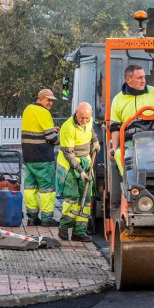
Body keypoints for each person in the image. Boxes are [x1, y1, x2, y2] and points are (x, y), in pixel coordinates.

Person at [108, 64, 154, 212]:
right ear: (128, 80)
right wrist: (115, 147)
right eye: (139, 78)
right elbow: (115, 127)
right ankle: (131, 188)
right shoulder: (118, 100)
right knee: (121, 154)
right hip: (131, 141)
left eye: (144, 77)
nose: (143, 80)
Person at [56, 102, 100, 242]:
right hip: (69, 164)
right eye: (82, 118)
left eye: (87, 118)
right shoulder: (68, 128)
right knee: (73, 196)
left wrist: (96, 141)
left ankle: (79, 232)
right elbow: (69, 154)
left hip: (85, 161)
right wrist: (81, 172)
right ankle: (64, 226)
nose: (84, 121)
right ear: (76, 113)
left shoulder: (89, 120)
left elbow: (91, 131)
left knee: (86, 197)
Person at [21, 88, 60, 226]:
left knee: (30, 187)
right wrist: (62, 139)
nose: (50, 103)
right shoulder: (44, 112)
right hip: (43, 157)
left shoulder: (28, 109)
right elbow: (52, 138)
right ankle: (47, 219)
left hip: (29, 156)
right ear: (41, 99)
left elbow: (36, 130)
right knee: (47, 189)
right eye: (48, 100)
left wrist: (51, 129)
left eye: (52, 101)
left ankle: (32, 217)